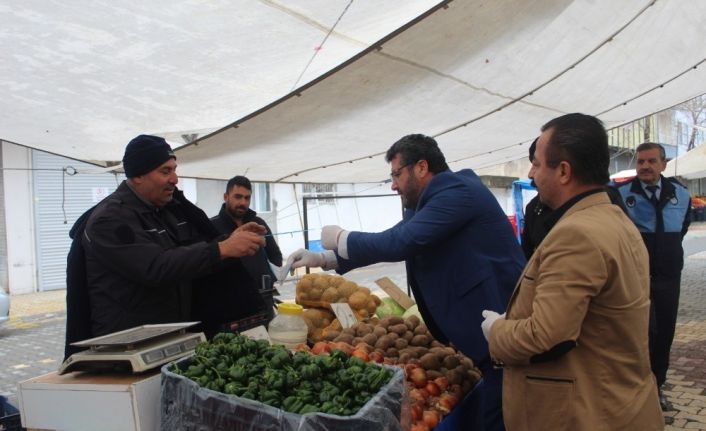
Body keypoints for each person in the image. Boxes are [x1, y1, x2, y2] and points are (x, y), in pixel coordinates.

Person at [284, 134, 525, 431]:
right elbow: (396, 235)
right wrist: (325, 259)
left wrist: (344, 237)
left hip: (500, 327)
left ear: (421, 167)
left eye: (397, 174)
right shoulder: (428, 201)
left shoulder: (458, 191)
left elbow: (403, 241)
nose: (393, 185)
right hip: (483, 335)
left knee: (501, 416)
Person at [482, 113, 663, 430]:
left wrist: (497, 331)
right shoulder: (613, 216)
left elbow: (545, 336)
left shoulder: (576, 234)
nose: (531, 172)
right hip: (622, 400)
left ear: (564, 171)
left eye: (537, 164)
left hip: (591, 412)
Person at [65, 135, 266, 356]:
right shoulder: (109, 220)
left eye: (174, 169)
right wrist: (222, 249)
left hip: (165, 341)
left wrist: (228, 240)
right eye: (165, 171)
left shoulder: (166, 212)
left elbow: (187, 252)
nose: (175, 179)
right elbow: (154, 266)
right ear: (138, 175)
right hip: (125, 350)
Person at [614, 142, 691, 410]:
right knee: (637, 332)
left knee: (664, 332)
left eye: (651, 161)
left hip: (668, 276)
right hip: (635, 277)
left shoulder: (681, 194)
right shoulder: (621, 194)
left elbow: (681, 229)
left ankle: (656, 386)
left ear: (663, 164)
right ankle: (632, 386)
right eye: (640, 161)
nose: (645, 166)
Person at [211, 175, 283, 289]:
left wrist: (269, 278)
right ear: (226, 197)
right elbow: (207, 262)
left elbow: (275, 255)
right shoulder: (211, 226)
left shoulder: (259, 224)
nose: (243, 202)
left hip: (262, 297)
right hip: (229, 300)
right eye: (238, 197)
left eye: (247, 198)